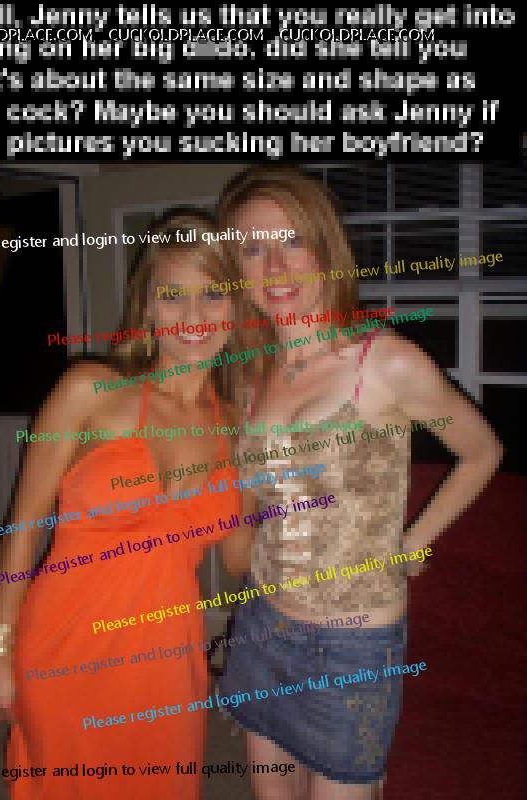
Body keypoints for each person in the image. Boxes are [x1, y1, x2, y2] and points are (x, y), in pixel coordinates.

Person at [216, 166, 503, 800]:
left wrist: (413, 542)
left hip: (351, 644)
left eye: (292, 241)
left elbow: (481, 452)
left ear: (325, 246)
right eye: (252, 249)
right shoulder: (250, 373)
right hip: (262, 623)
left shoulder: (386, 361)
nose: (275, 267)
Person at [0, 210, 253, 799]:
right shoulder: (89, 391)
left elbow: (237, 559)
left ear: (235, 309)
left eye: (213, 295)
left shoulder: (236, 425)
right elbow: (22, 529)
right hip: (64, 648)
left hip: (167, 663)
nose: (195, 316)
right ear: (146, 307)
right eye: (173, 296)